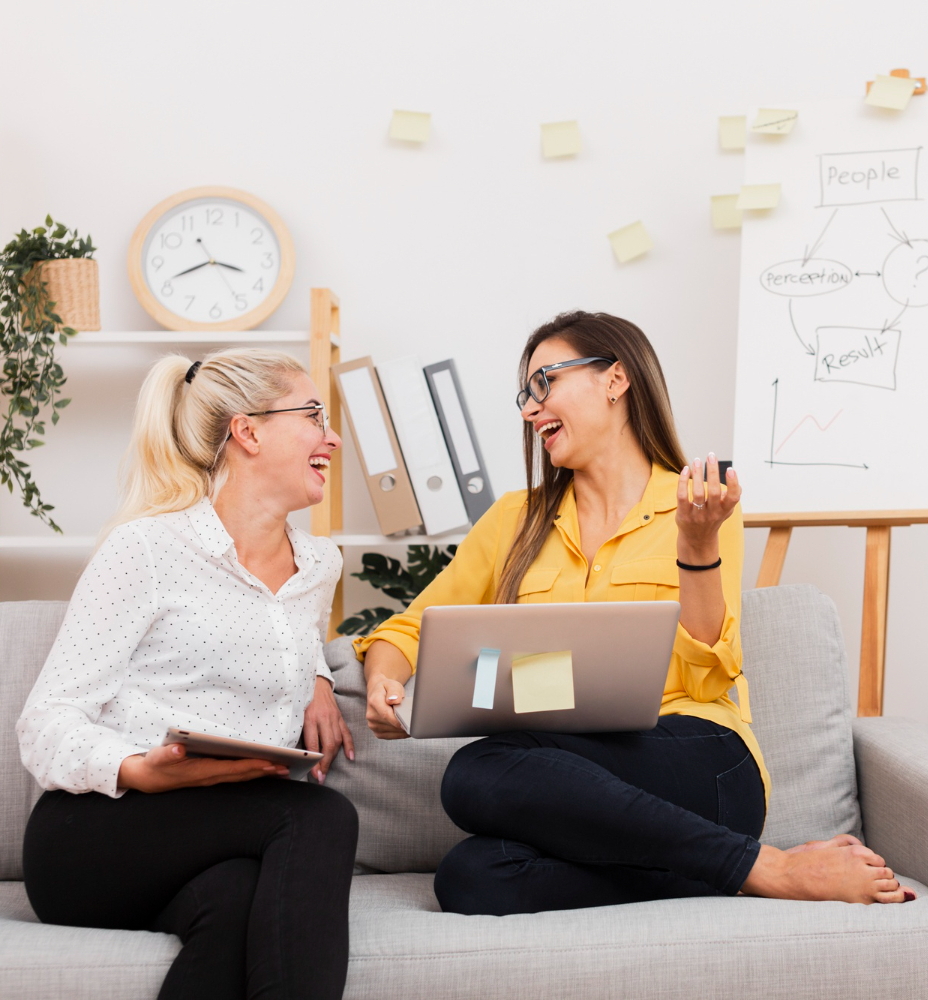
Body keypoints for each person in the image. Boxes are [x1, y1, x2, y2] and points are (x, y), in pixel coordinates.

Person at [358, 310, 915, 913]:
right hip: (571, 769)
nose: (530, 410)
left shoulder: (697, 504)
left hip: (700, 758)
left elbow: (710, 673)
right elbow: (409, 627)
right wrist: (385, 677)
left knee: (477, 771)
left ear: (615, 379)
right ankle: (721, 868)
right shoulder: (514, 520)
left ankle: (770, 868)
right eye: (526, 394)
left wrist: (697, 544)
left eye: (545, 382)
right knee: (470, 877)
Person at [17, 349, 359, 1000]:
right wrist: (139, 768)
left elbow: (279, 632)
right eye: (314, 415)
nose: (332, 436)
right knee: (320, 816)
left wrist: (319, 679)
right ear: (248, 431)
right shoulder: (147, 549)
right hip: (99, 831)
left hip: (216, 841)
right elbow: (46, 723)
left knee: (235, 900)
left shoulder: (319, 565)